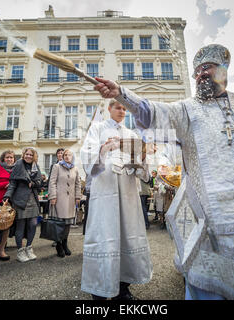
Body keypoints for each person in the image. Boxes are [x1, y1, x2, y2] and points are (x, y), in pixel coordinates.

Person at [92, 44, 234, 299]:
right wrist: (122, 94)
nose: (201, 74)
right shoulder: (187, 110)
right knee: (214, 284)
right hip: (215, 217)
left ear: (223, 70)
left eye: (208, 68)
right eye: (197, 71)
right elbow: (154, 112)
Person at [80, 99, 152, 300]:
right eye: (118, 107)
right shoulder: (98, 128)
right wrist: (104, 149)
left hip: (127, 192)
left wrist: (142, 158)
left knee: (127, 236)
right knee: (105, 235)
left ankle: (123, 287)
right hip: (105, 191)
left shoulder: (131, 134)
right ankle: (99, 289)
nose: (121, 111)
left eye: (124, 108)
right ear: (109, 109)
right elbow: (87, 157)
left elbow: (142, 170)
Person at [3, 147, 42, 263]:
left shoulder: (36, 166)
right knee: (20, 226)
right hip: (20, 199)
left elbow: (40, 183)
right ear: (23, 155)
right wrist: (7, 196)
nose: (28, 156)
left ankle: (29, 248)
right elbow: (12, 184)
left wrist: (33, 184)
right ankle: (20, 250)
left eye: (31, 154)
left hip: (33, 199)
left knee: (33, 224)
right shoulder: (18, 165)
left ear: (34, 156)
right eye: (27, 154)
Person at [48, 149, 81, 257]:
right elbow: (52, 182)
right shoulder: (57, 167)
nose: (66, 156)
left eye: (69, 155)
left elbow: (78, 184)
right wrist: (52, 196)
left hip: (71, 200)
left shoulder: (75, 168)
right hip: (58, 199)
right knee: (59, 223)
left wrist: (77, 197)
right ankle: (58, 244)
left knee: (67, 224)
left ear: (72, 157)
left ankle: (65, 243)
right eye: (65, 155)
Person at [47, 148, 64, 247]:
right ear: (56, 155)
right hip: (55, 195)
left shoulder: (69, 165)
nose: (60, 154)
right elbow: (51, 180)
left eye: (62, 153)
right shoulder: (53, 166)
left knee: (63, 219)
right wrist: (51, 194)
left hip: (65, 196)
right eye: (58, 153)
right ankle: (56, 239)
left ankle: (62, 238)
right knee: (55, 218)